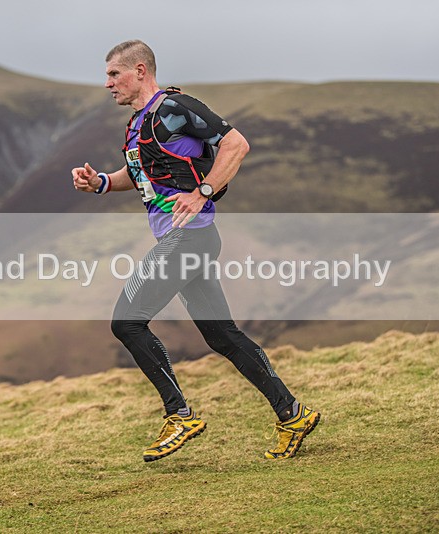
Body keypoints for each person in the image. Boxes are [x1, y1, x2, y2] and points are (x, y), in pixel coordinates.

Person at [71, 40, 319, 462]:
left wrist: (203, 192)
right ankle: (293, 414)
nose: (107, 83)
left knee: (127, 323)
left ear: (141, 70)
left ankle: (179, 414)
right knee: (222, 335)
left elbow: (236, 144)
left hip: (190, 237)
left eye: (114, 74)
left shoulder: (177, 107)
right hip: (182, 240)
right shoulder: (137, 123)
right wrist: (101, 183)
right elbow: (143, 176)